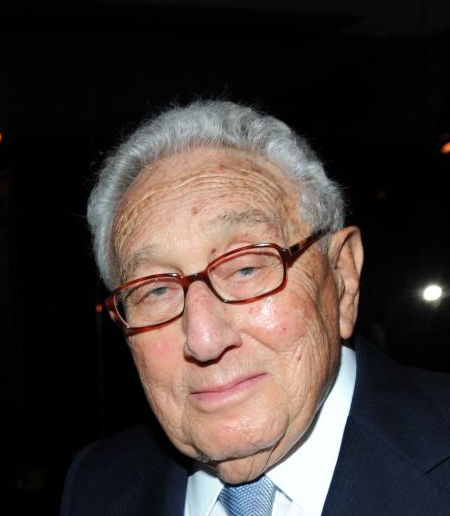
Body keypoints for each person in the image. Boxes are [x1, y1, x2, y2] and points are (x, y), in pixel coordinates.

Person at [62, 101, 450, 515]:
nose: (204, 339)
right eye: (157, 291)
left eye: (246, 267)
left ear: (341, 276)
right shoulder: (97, 486)